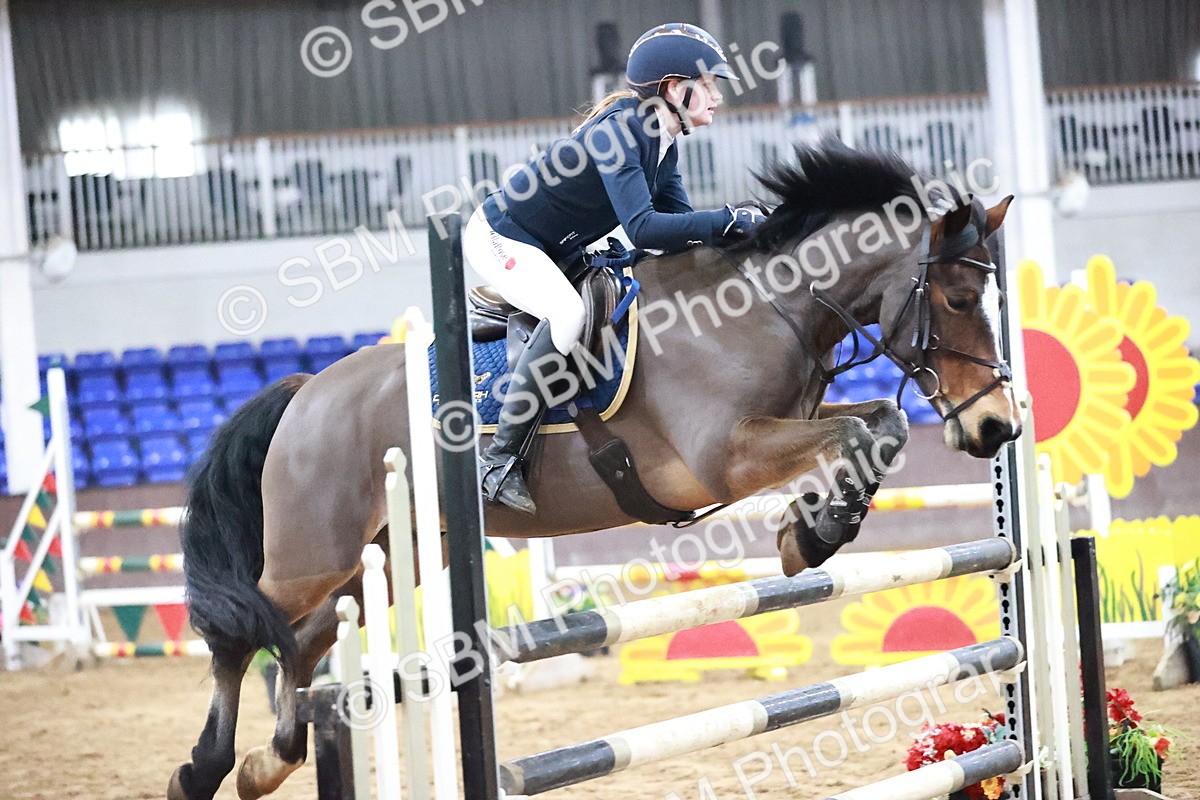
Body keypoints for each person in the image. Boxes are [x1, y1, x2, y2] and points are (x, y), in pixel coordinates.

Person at [463, 22, 766, 515]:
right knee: (567, 315)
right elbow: (643, 229)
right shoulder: (620, 132)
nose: (716, 96)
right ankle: (497, 464)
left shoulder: (663, 145)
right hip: (501, 236)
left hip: (553, 246)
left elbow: (681, 230)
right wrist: (727, 219)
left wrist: (747, 234)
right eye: (709, 84)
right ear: (674, 88)